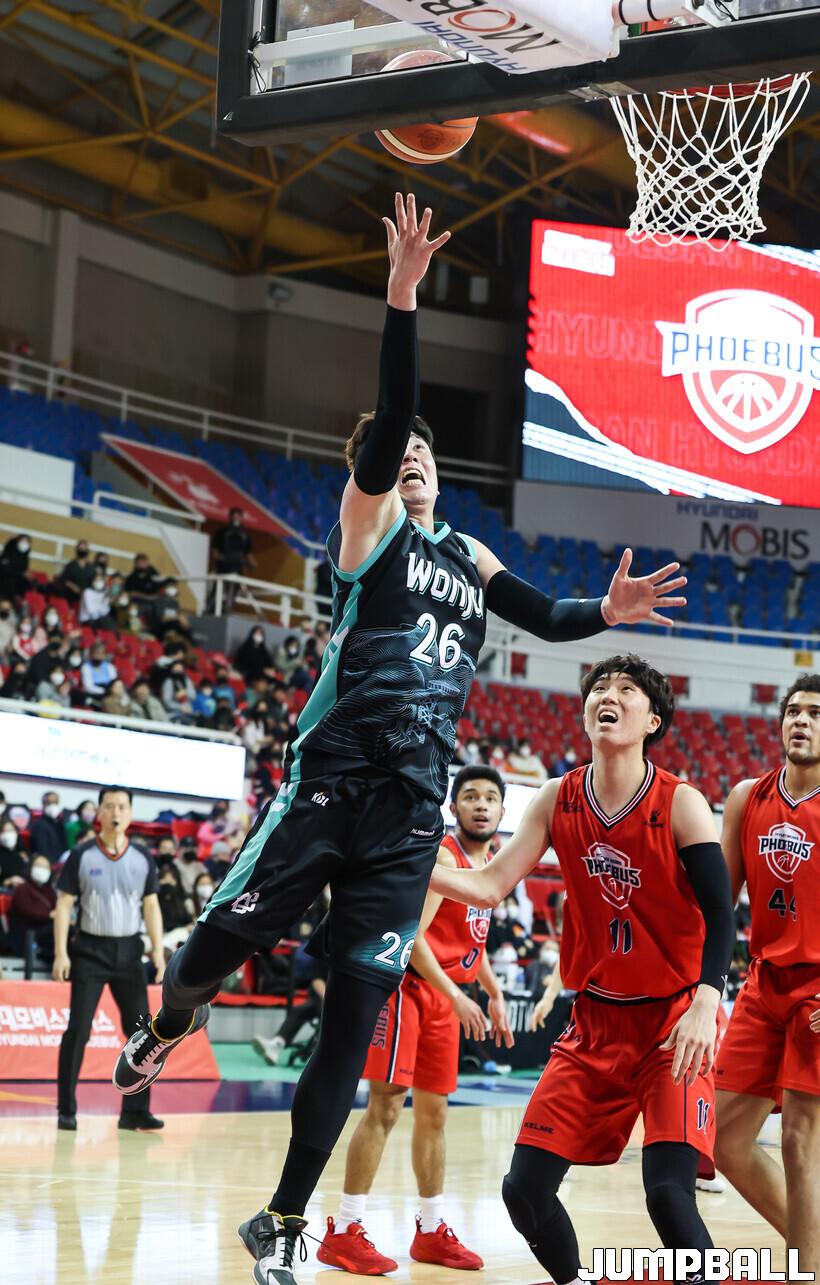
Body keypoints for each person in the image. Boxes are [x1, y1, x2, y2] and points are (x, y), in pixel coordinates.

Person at [113, 194, 686, 1284]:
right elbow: (392, 419)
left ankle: (285, 1219)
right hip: (333, 780)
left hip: (410, 814)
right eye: (399, 449)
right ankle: (169, 1019)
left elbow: (545, 615)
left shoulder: (468, 554)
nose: (412, 455)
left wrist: (603, 612)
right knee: (209, 957)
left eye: (424, 450)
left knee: (352, 1021)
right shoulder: (368, 525)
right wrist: (403, 298)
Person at [429, 654, 735, 1283]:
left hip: (673, 1022)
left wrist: (708, 999)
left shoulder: (682, 804)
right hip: (594, 1023)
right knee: (523, 1190)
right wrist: (402, 865)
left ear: (653, 720)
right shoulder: (556, 796)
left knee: (668, 1195)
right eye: (599, 687)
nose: (608, 696)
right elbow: (489, 886)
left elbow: (721, 915)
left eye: (626, 689)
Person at [316, 764, 512, 1276]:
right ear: (455, 807)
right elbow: (414, 936)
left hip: (447, 998)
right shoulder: (444, 857)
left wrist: (491, 991)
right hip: (409, 991)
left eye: (490, 798)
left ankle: (429, 1229)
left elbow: (472, 940)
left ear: (502, 810)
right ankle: (343, 1230)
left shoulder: (490, 862)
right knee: (385, 1105)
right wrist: (457, 995)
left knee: (435, 1115)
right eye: (470, 796)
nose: (481, 805)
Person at [713, 673, 820, 1278]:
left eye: (816, 713)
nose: (801, 720)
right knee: (724, 1142)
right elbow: (718, 903)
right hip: (763, 984)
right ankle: (816, 1249)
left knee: (800, 1142)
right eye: (793, 711)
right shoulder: (746, 797)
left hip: (818, 990)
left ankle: (808, 1268)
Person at [54, 786, 165, 1132]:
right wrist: (60, 953)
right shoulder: (82, 855)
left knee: (143, 1035)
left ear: (130, 814)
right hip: (89, 951)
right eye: (109, 806)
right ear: (99, 813)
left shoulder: (142, 857)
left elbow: (151, 905)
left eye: (121, 806)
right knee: (78, 1030)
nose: (115, 812)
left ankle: (134, 1111)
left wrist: (158, 951)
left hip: (129, 951)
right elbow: (64, 904)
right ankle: (66, 1109)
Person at [9, 853, 56, 961]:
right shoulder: (22, 889)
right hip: (28, 933)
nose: (42, 870)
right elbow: (27, 911)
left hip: (46, 931)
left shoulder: (50, 891)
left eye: (46, 867)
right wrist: (49, 915)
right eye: (39, 866)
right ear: (30, 867)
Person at [212, 507, 256, 609]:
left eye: (238, 516)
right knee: (218, 587)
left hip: (237, 565)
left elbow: (248, 552)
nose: (236, 518)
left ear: (241, 517)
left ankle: (228, 607)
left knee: (234, 587)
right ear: (230, 517)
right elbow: (215, 549)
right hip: (223, 564)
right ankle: (212, 607)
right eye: (234, 516)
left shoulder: (245, 534)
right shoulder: (222, 531)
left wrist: (251, 563)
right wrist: (218, 559)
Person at [30, 792, 68, 863]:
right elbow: (42, 850)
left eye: (55, 803)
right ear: (43, 804)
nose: (52, 806)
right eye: (49, 803)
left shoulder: (60, 824)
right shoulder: (38, 825)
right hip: (47, 863)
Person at [0, 533, 31, 599]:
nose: (24, 543)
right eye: (23, 541)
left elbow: (24, 570)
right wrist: (21, 573)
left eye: (27, 541)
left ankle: (21, 600)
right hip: (5, 580)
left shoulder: (24, 557)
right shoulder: (8, 554)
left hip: (18, 581)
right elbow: (5, 569)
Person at [0, 816, 28, 885]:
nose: (7, 834)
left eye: (10, 831)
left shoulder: (23, 852)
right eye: (3, 831)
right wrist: (8, 881)